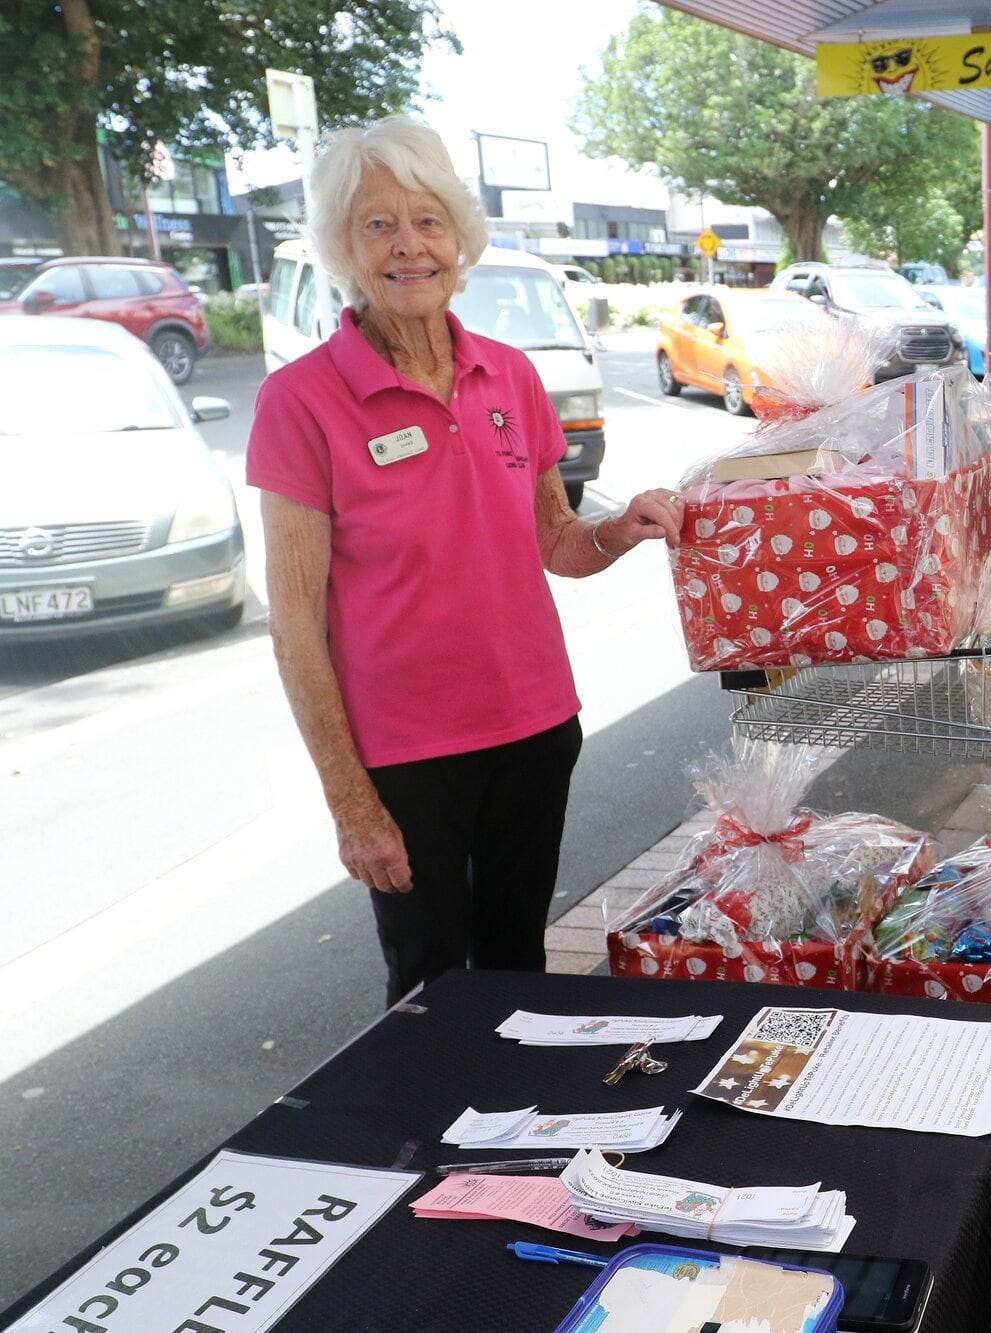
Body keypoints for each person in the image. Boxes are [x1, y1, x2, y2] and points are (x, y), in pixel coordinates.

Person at [247, 117, 685, 1007]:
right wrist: (350, 803)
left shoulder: (511, 376)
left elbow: (556, 539)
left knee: (519, 966)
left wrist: (621, 528)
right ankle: (432, 1147)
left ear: (459, 237)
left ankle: (514, 1145)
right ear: (343, 247)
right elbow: (294, 627)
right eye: (378, 225)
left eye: (428, 221)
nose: (409, 246)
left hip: (534, 730)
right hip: (407, 759)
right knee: (434, 991)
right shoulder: (300, 402)